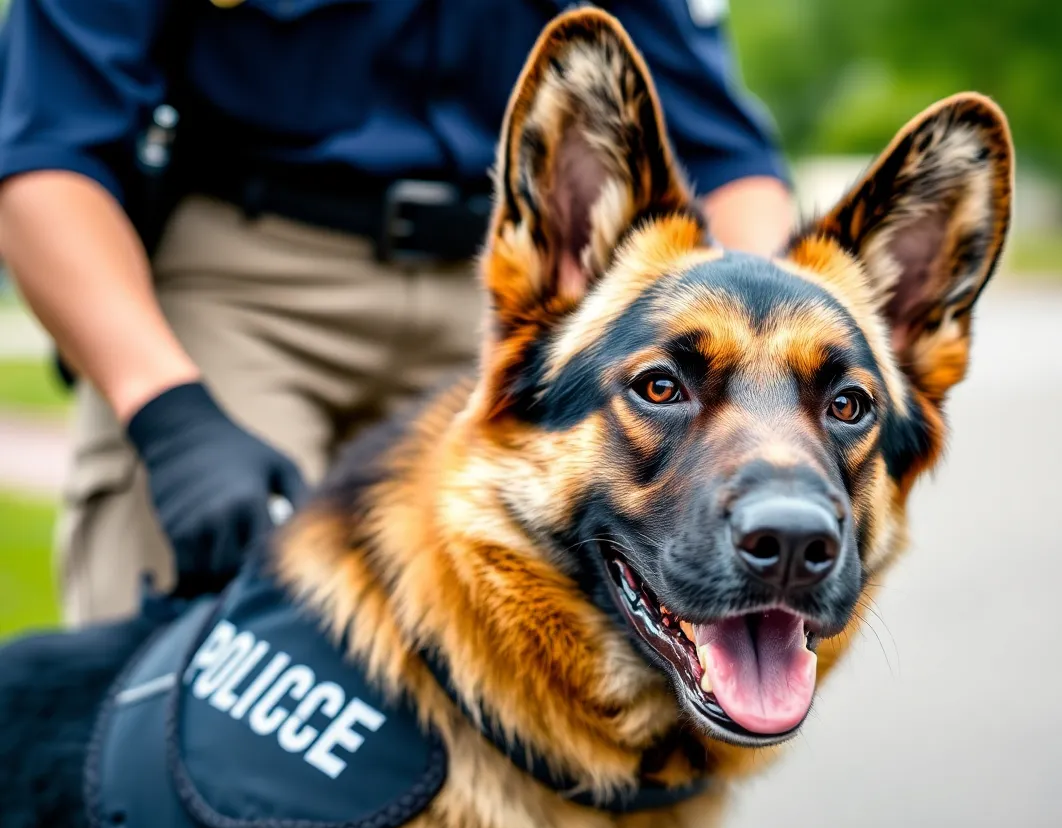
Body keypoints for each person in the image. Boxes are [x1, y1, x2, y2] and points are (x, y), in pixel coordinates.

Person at [0, 0, 795, 626]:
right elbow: (47, 157)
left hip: (514, 299)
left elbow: (727, 161)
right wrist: (168, 412)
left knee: (576, 693)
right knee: (187, 677)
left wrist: (765, 385)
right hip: (242, 283)